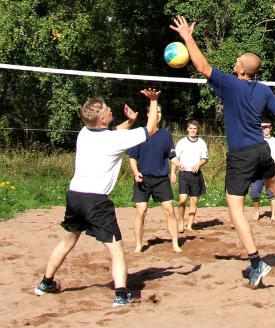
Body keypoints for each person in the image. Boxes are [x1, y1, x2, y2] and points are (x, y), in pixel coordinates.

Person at [170, 16, 275, 287]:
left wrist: (188, 37)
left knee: (235, 210)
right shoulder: (264, 91)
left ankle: (256, 262)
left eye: (237, 62)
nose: (233, 64)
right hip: (261, 150)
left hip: (241, 156)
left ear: (242, 69)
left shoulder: (231, 85)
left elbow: (202, 65)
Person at [34, 89, 161, 307]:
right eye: (108, 110)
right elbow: (150, 129)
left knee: (67, 241)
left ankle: (46, 283)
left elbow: (114, 133)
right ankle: (121, 294)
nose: (111, 110)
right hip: (96, 201)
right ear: (102, 118)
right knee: (116, 250)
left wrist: (129, 122)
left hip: (75, 196)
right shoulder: (113, 140)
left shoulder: (84, 132)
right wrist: (153, 101)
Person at [127, 104, 182, 253]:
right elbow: (132, 157)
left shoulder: (166, 135)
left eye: (159, 112)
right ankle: (138, 245)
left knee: (169, 210)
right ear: (148, 115)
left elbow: (172, 157)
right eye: (154, 112)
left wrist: (180, 165)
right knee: (141, 210)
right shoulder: (139, 134)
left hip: (161, 179)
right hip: (143, 178)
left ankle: (175, 244)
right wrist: (135, 172)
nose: (157, 114)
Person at [170, 120, 208, 231]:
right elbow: (174, 158)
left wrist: (199, 164)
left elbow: (205, 158)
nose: (192, 130)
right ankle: (181, 222)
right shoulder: (182, 142)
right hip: (183, 174)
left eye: (195, 128)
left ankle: (190, 225)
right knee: (182, 200)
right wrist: (172, 173)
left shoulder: (201, 142)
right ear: (187, 129)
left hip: (196, 175)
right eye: (191, 128)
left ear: (198, 130)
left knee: (194, 201)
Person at [250, 119, 275, 221]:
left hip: (270, 171)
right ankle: (257, 212)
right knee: (254, 193)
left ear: (270, 128)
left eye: (266, 127)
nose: (264, 129)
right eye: (262, 127)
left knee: (272, 194)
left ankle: (273, 215)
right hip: (257, 172)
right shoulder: (256, 141)